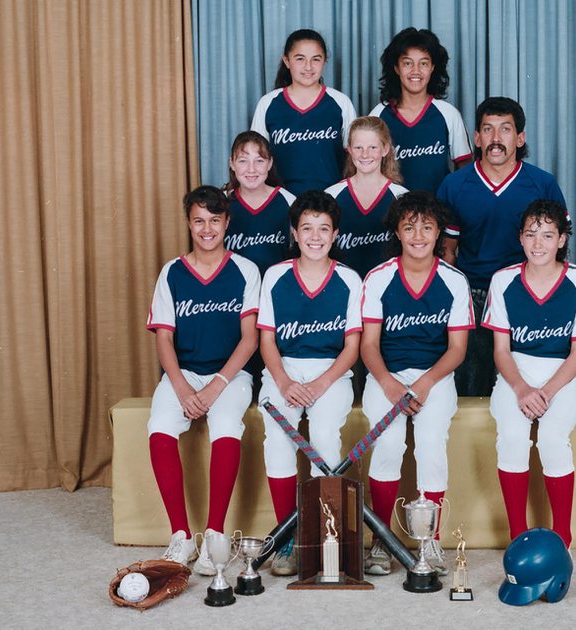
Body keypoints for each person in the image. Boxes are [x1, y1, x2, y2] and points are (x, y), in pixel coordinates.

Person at [145, 185, 261, 576]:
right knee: (159, 427)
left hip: (231, 374)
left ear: (227, 222)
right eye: (198, 220)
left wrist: (214, 388)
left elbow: (250, 339)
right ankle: (181, 535)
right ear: (189, 223)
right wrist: (180, 387)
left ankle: (215, 535)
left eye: (215, 220)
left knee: (226, 426)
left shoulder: (246, 270)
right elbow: (164, 337)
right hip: (185, 371)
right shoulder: (172, 272)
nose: (207, 228)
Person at [359, 191, 472, 577]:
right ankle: (381, 540)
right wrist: (389, 383)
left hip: (434, 374)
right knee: (388, 444)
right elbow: (369, 344)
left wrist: (424, 383)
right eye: (409, 227)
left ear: (439, 230)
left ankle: (430, 540)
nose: (419, 235)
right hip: (386, 374)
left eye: (427, 226)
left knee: (429, 444)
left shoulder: (454, 280)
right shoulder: (378, 277)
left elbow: (457, 349)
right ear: (398, 231)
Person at [483, 200, 576, 550]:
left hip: (562, 376)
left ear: (562, 240)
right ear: (520, 239)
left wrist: (546, 393)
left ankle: (561, 537)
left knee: (552, 440)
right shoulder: (503, 280)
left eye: (548, 235)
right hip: (515, 373)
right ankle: (518, 536)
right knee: (511, 439)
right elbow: (501, 350)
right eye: (531, 234)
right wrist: (521, 389)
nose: (539, 243)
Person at [255, 191, 363, 576]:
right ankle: (286, 540)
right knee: (277, 441)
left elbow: (352, 347)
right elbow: (266, 340)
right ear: (295, 234)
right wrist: (282, 381)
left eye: (323, 229)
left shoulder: (350, 279)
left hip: (331, 372)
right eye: (307, 228)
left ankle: (322, 538)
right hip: (282, 369)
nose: (315, 236)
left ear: (334, 235)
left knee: (325, 439)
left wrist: (321, 383)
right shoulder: (276, 276)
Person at [436, 96, 567, 397]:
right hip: (474, 296)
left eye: (505, 129)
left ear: (520, 138)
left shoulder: (542, 184)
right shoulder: (454, 185)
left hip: (524, 295)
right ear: (477, 138)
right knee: (469, 389)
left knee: (522, 389)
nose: (496, 139)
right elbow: (447, 252)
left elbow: (557, 249)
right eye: (488, 129)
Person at [252, 29, 358, 196]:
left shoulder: (340, 102)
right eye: (300, 59)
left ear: (325, 61)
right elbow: (255, 160)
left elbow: (355, 159)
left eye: (316, 59)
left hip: (331, 203)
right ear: (286, 61)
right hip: (282, 202)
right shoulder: (268, 103)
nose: (308, 67)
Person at [370, 27, 472, 195]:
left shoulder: (448, 114)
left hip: (437, 213)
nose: (415, 70)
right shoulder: (378, 115)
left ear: (433, 67)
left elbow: (465, 168)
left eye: (423, 63)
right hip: (391, 212)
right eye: (407, 63)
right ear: (396, 68)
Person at [324, 116, 409, 280]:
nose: (365, 154)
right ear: (348, 149)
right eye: (358, 147)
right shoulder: (331, 196)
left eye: (372, 147)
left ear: (385, 149)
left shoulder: (401, 197)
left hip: (387, 291)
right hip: (342, 291)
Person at [222, 130, 297, 276]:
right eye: (243, 161)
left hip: (278, 288)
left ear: (270, 163)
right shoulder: (221, 203)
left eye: (259, 161)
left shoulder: (289, 202)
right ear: (232, 163)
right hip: (233, 290)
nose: (251, 169)